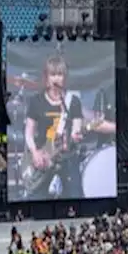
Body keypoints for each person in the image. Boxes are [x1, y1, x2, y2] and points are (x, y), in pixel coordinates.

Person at [22, 53, 87, 200]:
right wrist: (35, 153)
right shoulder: (36, 101)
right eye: (53, 74)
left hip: (66, 156)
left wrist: (76, 136)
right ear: (47, 77)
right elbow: (29, 133)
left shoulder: (72, 101)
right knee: (36, 198)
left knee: (75, 196)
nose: (56, 78)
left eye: (60, 74)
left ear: (65, 78)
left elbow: (77, 129)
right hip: (43, 158)